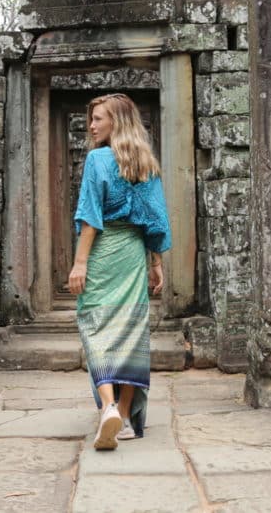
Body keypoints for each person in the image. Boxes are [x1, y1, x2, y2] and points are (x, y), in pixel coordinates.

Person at [69, 93, 171, 451]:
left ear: (117, 122)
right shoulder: (146, 163)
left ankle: (108, 405)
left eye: (98, 119)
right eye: (92, 119)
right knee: (131, 331)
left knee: (95, 326)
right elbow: (156, 222)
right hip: (133, 255)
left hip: (103, 251)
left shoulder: (97, 159)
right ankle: (125, 418)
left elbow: (90, 217)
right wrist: (156, 263)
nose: (92, 125)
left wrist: (80, 262)